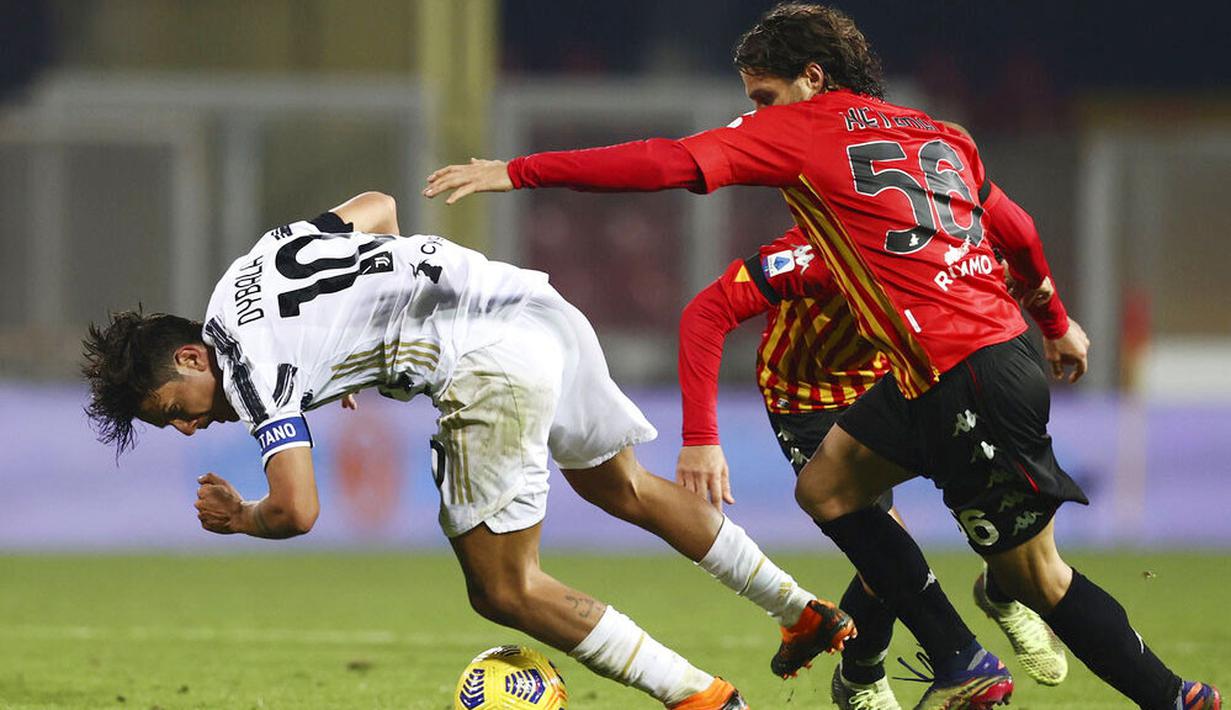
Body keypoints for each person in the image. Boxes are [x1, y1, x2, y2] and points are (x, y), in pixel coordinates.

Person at [422, 4, 1222, 709]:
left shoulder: (801, 130)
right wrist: (1054, 321)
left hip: (965, 372)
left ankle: (1168, 697)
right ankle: (958, 659)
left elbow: (668, 162)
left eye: (763, 97)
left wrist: (517, 171)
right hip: (974, 358)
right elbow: (1014, 228)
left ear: (811, 77)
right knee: (829, 486)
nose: (755, 114)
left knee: (1036, 577)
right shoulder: (939, 133)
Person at [80, 191, 861, 710]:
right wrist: (355, 336)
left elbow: (299, 510)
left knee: (503, 587)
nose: (188, 428)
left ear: (191, 358)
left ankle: (699, 697)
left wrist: (243, 518)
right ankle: (798, 610)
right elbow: (377, 208)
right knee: (619, 485)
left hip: (487, 361)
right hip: (534, 306)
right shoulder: (239, 281)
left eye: (172, 412)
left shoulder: (249, 372)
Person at [677, 221, 1076, 708]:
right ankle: (866, 675)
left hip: (900, 379)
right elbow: (708, 311)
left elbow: (1023, 252)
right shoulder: (815, 249)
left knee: (990, 479)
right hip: (809, 399)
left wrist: (1056, 324)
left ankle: (1001, 587)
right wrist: (701, 438)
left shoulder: (955, 222)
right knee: (880, 544)